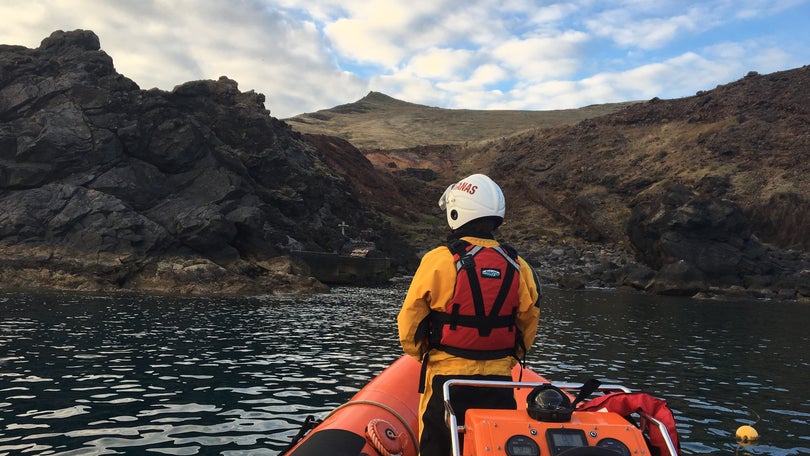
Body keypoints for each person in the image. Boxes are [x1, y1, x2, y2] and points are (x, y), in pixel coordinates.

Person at [397, 173, 542, 456]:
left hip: (446, 379)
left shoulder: (438, 259)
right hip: (499, 381)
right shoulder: (519, 265)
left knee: (437, 446)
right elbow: (528, 321)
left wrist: (422, 353)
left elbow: (410, 321)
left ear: (456, 211)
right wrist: (506, 358)